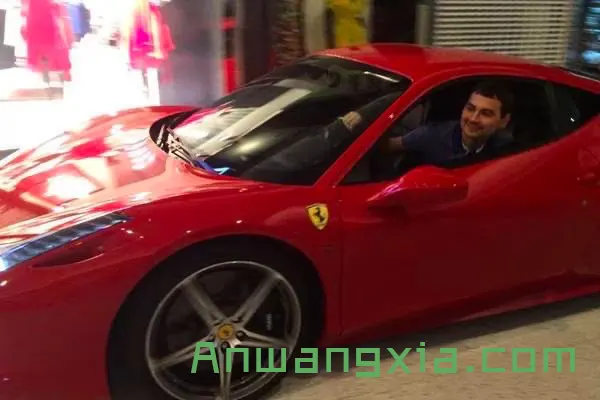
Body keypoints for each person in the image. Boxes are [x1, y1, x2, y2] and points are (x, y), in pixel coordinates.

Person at [340, 80, 515, 165]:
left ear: (503, 121)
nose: (473, 118)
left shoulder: (509, 149)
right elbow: (387, 146)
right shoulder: (432, 135)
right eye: (470, 109)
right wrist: (358, 126)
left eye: (485, 113)